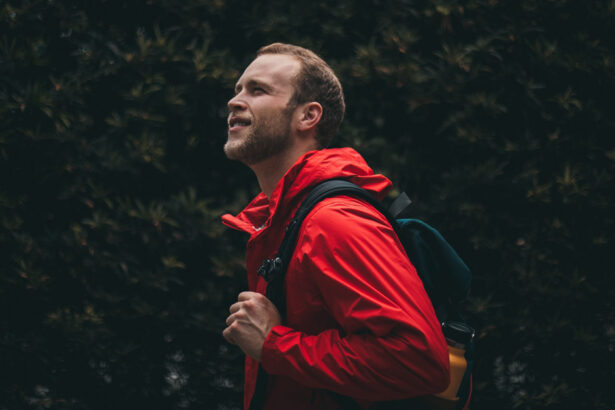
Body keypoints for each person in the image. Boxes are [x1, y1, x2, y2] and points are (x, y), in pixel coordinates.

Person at [221, 43, 450, 410]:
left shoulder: (332, 221)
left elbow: (419, 360)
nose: (235, 101)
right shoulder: (284, 218)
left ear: (308, 116)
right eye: (238, 89)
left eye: (258, 90)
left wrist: (274, 344)